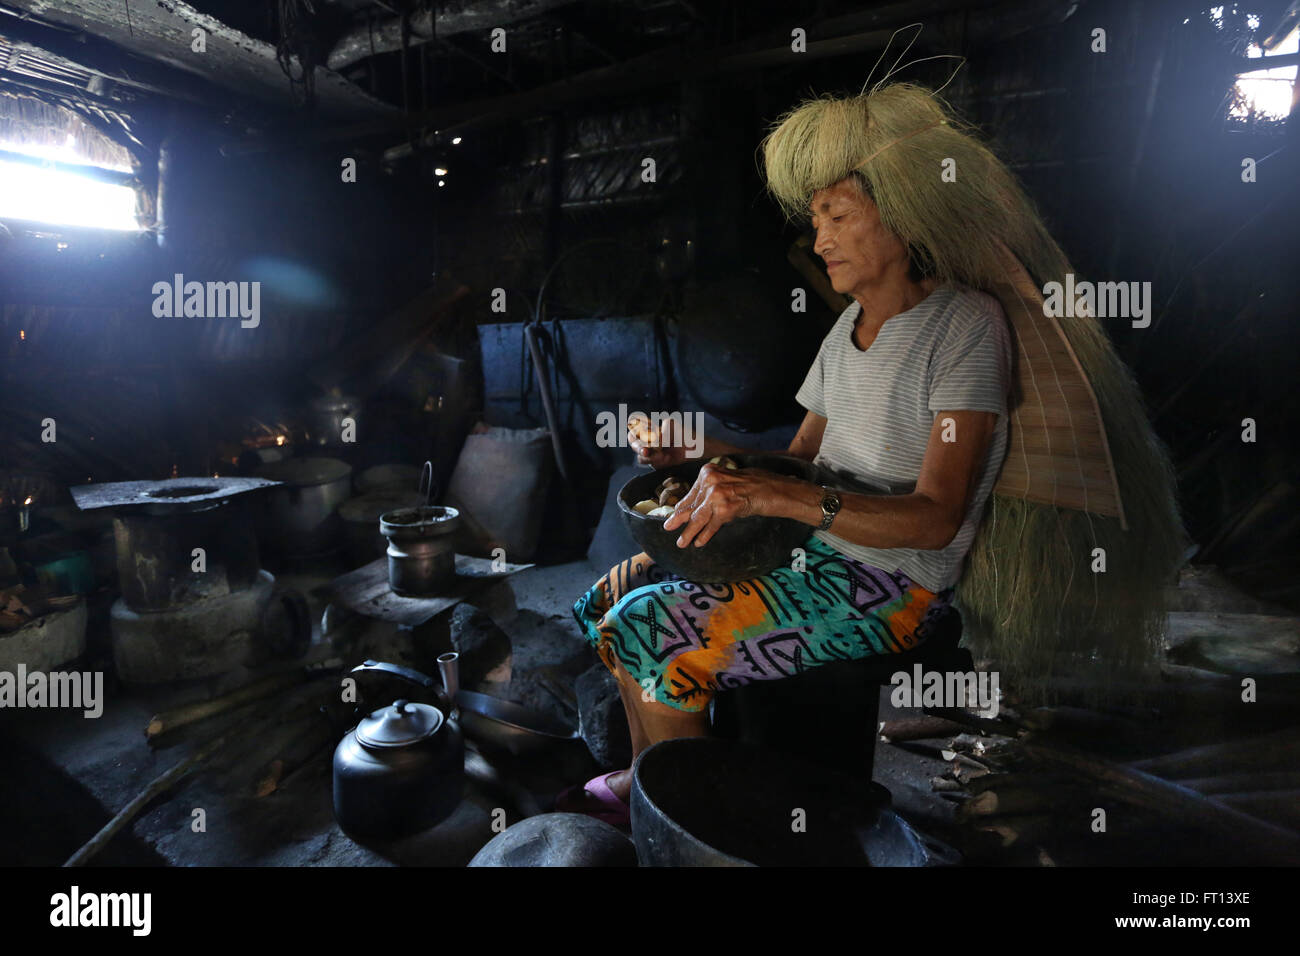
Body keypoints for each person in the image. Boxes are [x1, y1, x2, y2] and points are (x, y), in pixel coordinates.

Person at [559, 90, 1016, 825]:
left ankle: (692, 822)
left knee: (655, 634)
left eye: (839, 217)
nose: (821, 237)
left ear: (901, 219)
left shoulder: (962, 325)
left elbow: (936, 519)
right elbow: (796, 462)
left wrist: (780, 500)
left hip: (895, 587)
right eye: (816, 221)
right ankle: (656, 780)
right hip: (815, 552)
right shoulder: (846, 335)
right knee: (613, 598)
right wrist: (704, 445)